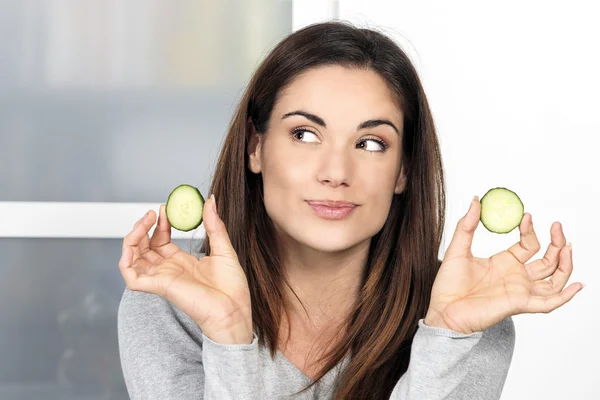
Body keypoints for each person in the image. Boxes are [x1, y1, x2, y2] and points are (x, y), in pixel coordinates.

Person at [116, 21, 583, 399]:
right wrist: (229, 335)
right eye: (304, 134)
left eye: (370, 142)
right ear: (255, 149)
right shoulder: (168, 302)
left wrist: (447, 337)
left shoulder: (472, 316)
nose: (336, 171)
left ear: (403, 171)